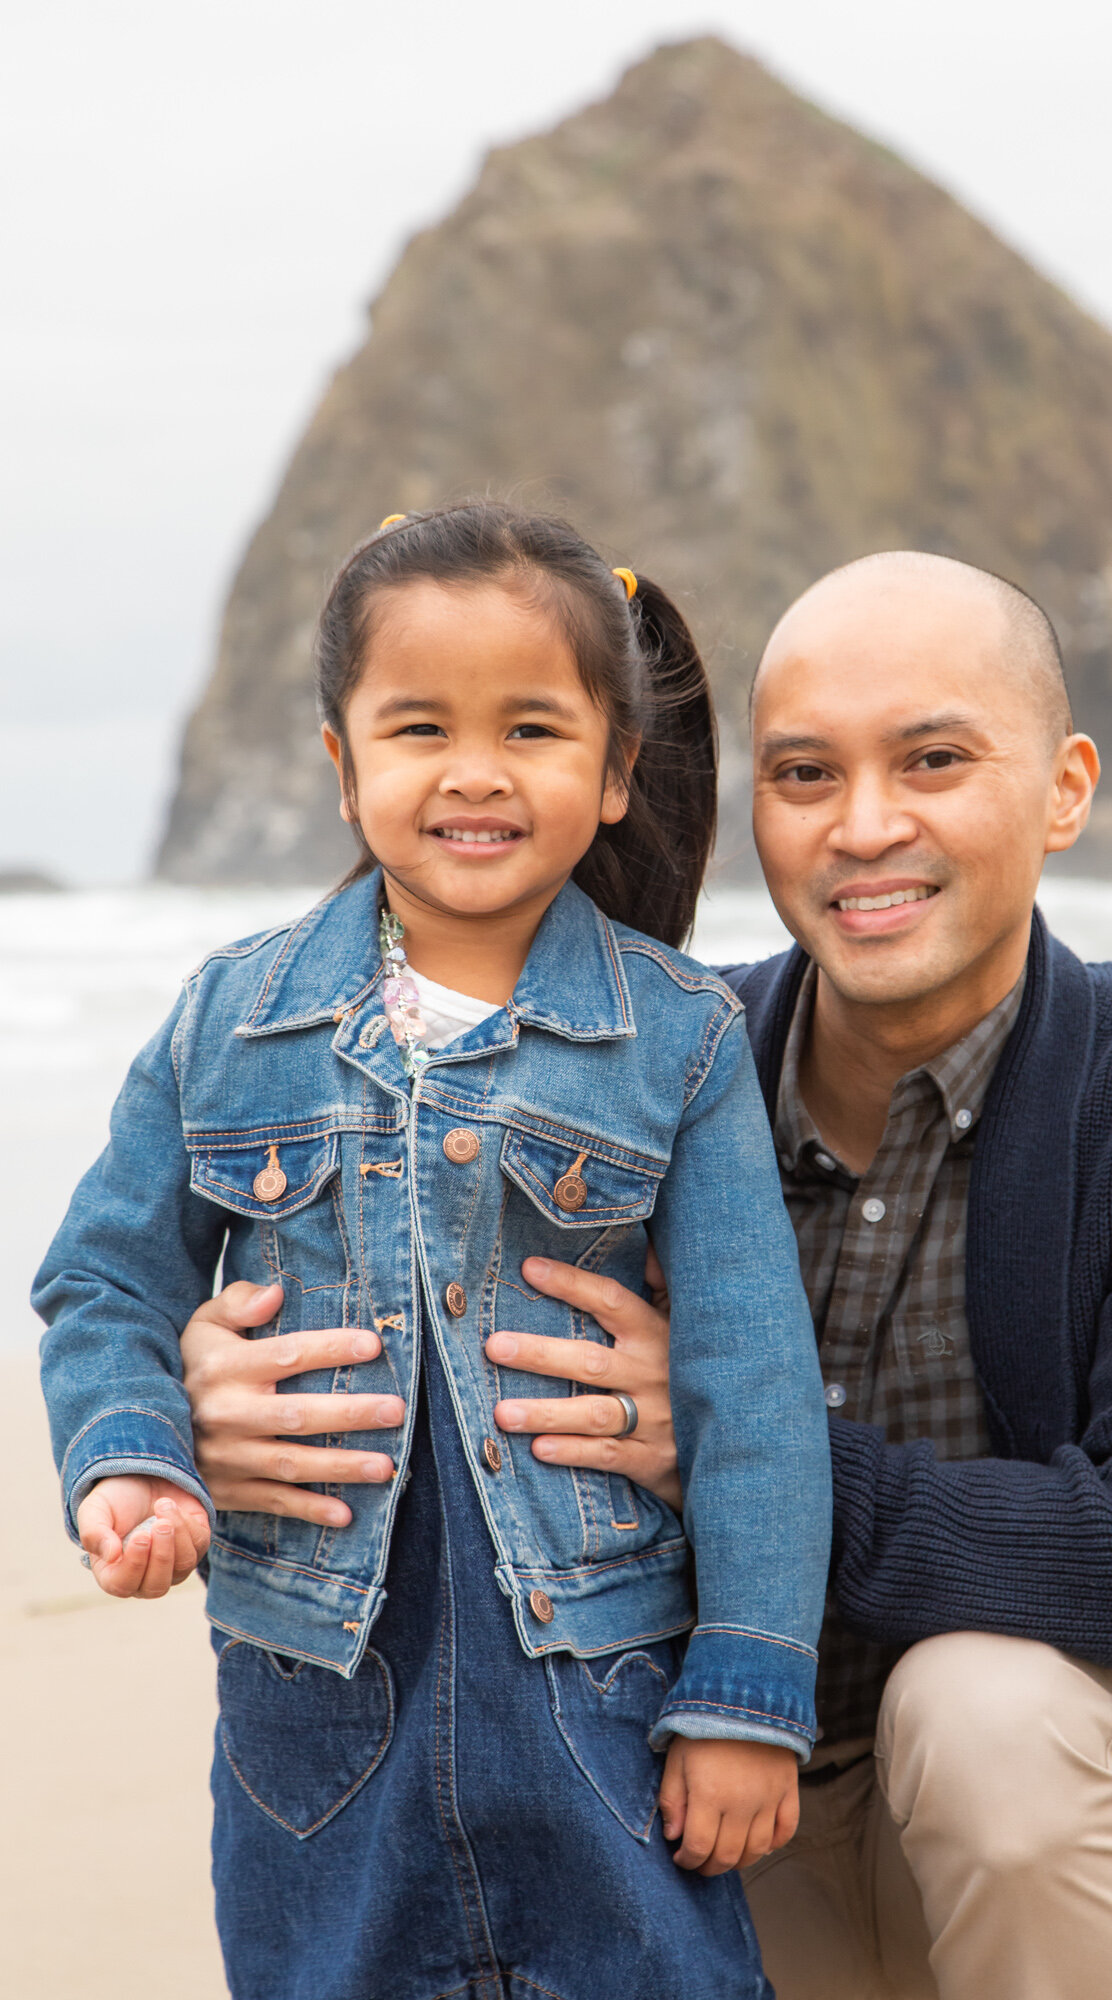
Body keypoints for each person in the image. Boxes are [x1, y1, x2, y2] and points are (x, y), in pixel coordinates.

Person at [159, 551, 1112, 2000]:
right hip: (683, 1823)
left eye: (934, 760)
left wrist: (735, 1450)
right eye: (803, 774)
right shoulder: (644, 1073)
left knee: (985, 1706)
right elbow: (402, 1305)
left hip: (1003, 1845)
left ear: (1064, 787)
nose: (865, 826)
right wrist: (214, 1397)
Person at [36, 504, 835, 2000]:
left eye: (530, 727)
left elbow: (751, 1385)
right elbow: (106, 1276)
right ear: (344, 769)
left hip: (600, 1684)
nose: (472, 771)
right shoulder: (231, 1021)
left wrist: (746, 1689)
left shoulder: (676, 1041)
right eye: (418, 728)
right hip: (313, 1694)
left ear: (610, 776)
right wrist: (135, 1453)